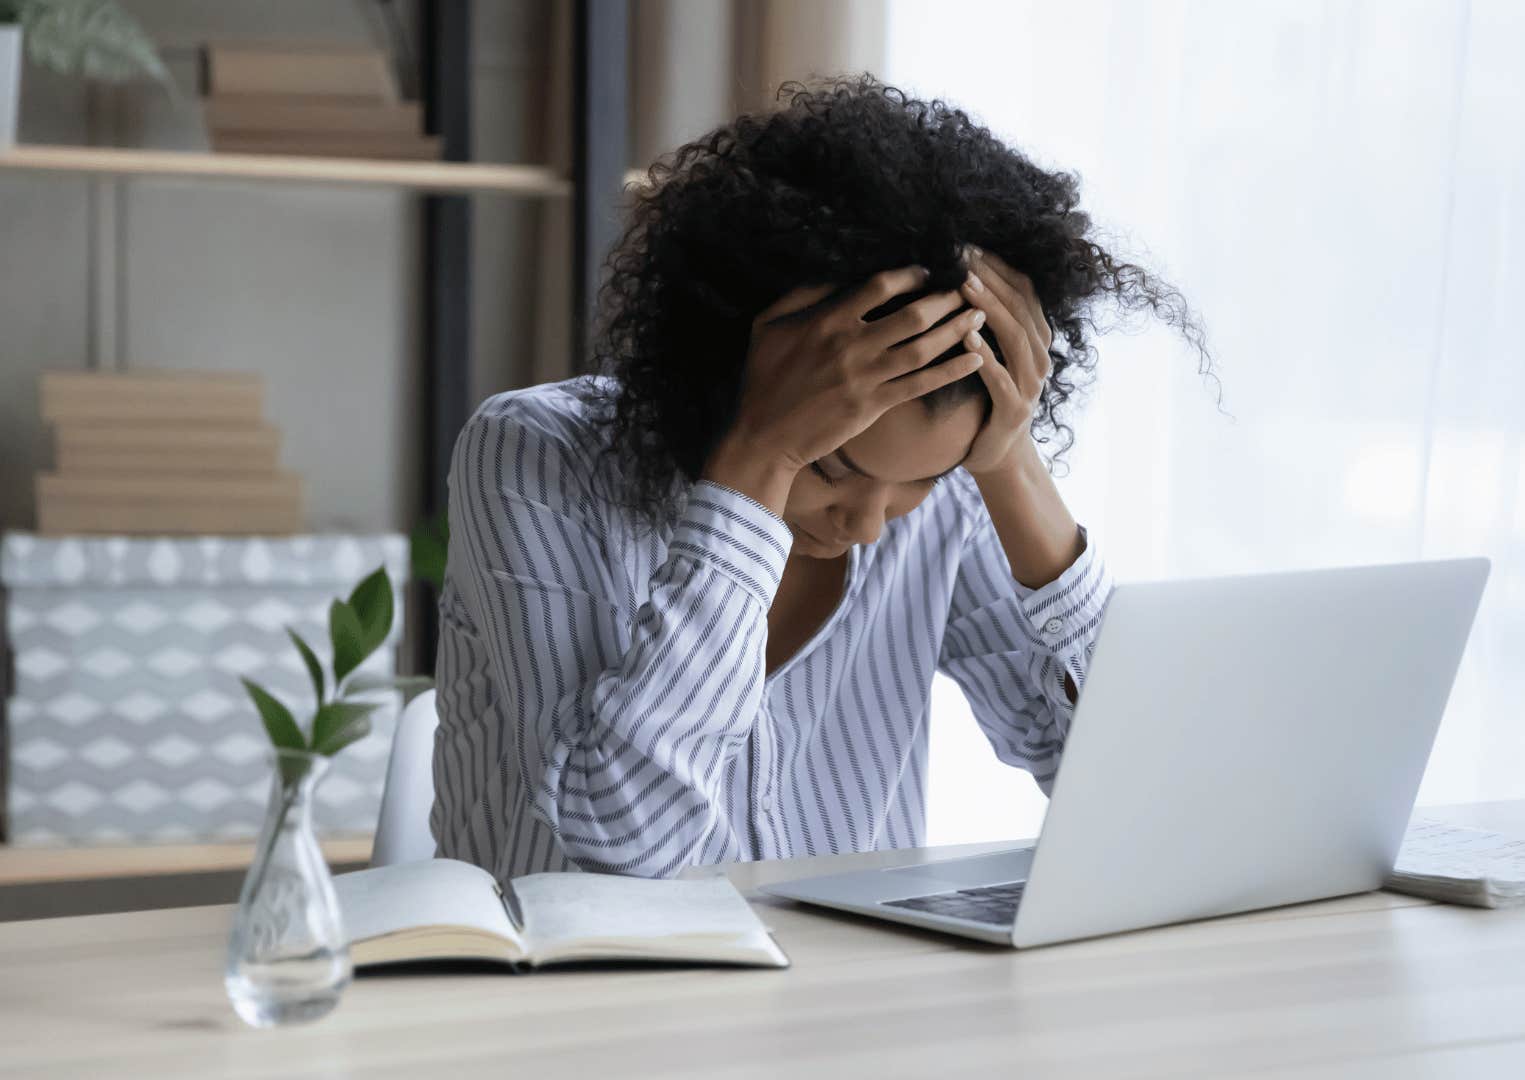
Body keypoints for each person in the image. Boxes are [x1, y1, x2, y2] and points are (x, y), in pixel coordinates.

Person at [430, 73, 1209, 880]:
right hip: (575, 999)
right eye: (834, 466)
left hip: (848, 1000)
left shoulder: (951, 499)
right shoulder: (536, 457)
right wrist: (758, 465)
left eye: (923, 480)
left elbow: (1128, 794)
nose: (870, 524)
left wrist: (1009, 466)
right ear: (733, 377)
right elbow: (627, 845)